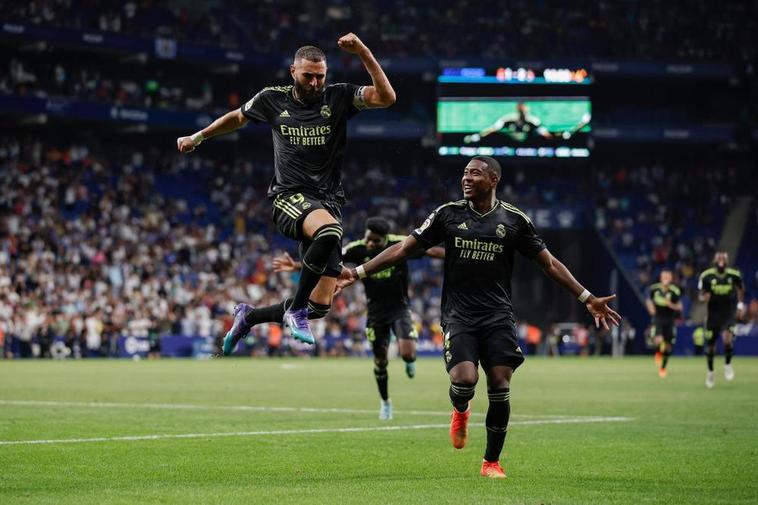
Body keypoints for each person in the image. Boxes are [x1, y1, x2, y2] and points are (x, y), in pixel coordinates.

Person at [336, 156, 620, 479]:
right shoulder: (447, 215)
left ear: (494, 179)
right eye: (465, 173)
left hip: (498, 315)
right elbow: (403, 249)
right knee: (464, 380)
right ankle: (460, 409)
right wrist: (357, 272)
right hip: (458, 315)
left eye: (475, 173)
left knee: (500, 383)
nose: (466, 178)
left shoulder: (514, 221)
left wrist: (587, 297)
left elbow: (550, 264)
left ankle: (491, 463)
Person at [177, 33, 396, 350]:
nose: (315, 82)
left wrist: (362, 50)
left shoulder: (338, 97)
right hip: (288, 197)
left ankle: (249, 317)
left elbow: (386, 97)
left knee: (320, 305)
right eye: (308, 75)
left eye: (320, 76)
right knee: (330, 233)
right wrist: (198, 137)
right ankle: (295, 309)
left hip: (327, 203)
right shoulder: (272, 99)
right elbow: (237, 118)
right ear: (293, 71)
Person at [273, 216, 444, 420]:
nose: (371, 244)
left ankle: (409, 361)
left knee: (407, 353)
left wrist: (455, 255)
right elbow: (329, 261)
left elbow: (430, 250)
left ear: (385, 239)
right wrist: (298, 266)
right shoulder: (358, 248)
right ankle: (385, 403)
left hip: (400, 308)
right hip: (374, 312)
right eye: (368, 239)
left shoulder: (399, 243)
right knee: (380, 361)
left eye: (376, 241)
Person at [698, 252, 745, 388]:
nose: (721, 260)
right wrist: (703, 298)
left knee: (727, 339)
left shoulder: (734, 275)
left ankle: (727, 364)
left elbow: (741, 289)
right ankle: (711, 372)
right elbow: (701, 294)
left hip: (728, 313)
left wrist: (740, 305)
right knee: (711, 346)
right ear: (714, 260)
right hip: (713, 315)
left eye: (724, 257)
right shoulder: (706, 276)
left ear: (727, 260)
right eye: (719, 257)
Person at [645, 269, 683, 378]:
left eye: (668, 276)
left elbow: (680, 307)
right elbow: (648, 299)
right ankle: (658, 352)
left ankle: (663, 368)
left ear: (671, 278)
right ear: (661, 278)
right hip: (658, 318)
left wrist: (671, 305)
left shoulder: (675, 291)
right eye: (664, 276)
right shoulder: (654, 289)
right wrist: (650, 307)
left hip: (670, 320)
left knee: (668, 346)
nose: (666, 278)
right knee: (658, 340)